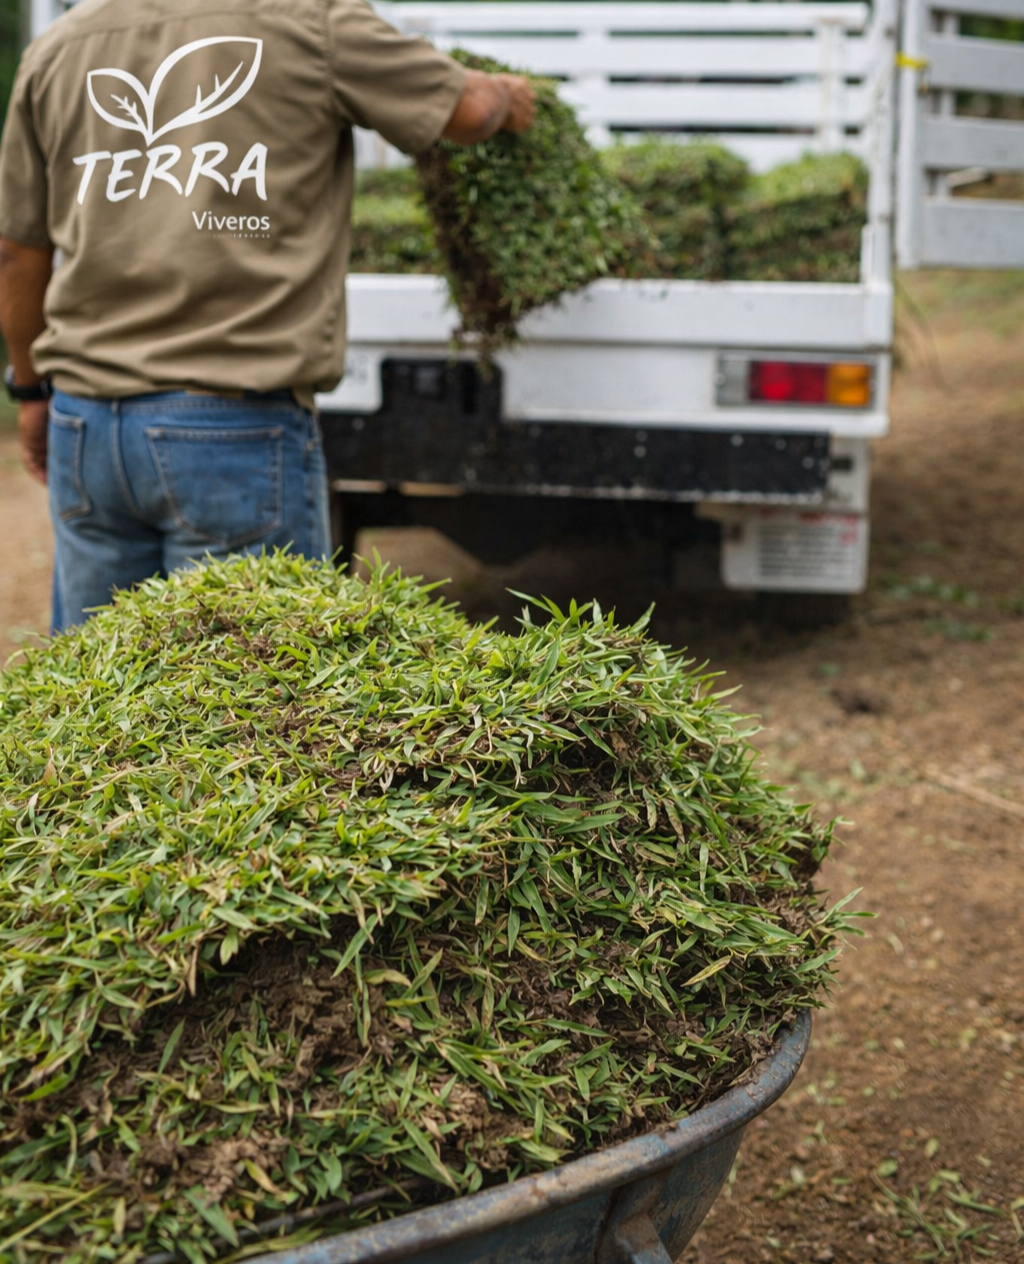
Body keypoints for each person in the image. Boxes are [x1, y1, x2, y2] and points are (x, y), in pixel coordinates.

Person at [0, 0, 534, 632]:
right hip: (233, 429)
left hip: (86, 427)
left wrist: (31, 390)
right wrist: (507, 95)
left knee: (99, 698)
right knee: (246, 710)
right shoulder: (311, 20)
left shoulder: (60, 45)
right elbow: (467, 112)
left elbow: (15, 251)